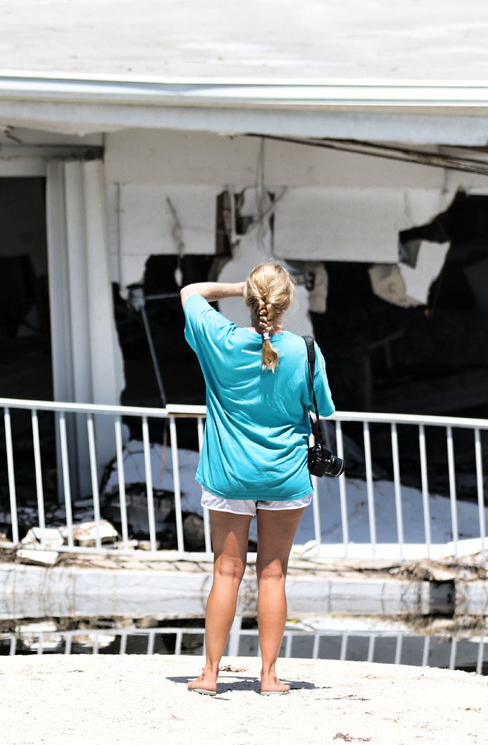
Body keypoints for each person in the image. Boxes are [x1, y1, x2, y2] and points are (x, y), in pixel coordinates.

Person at [179, 262, 335, 696]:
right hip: (284, 476)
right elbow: (322, 406)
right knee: (273, 574)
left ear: (249, 301)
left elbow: (191, 289)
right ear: (287, 304)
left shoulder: (221, 340)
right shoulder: (305, 351)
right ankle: (268, 677)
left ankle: (210, 676)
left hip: (229, 474)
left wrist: (238, 287)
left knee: (226, 572)